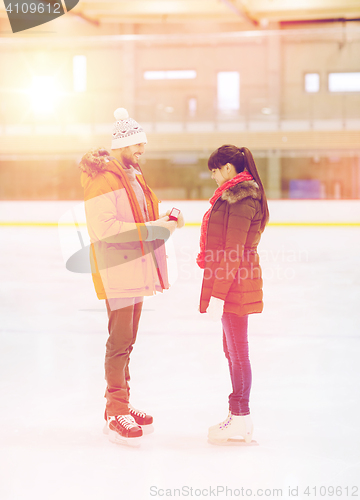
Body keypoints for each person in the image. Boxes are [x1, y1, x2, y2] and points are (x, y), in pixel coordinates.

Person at [79, 107, 184, 446]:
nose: (142, 151)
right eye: (137, 145)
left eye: (143, 145)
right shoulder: (102, 179)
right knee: (119, 341)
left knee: (128, 340)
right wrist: (154, 227)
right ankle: (115, 411)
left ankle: (122, 401)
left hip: (136, 265)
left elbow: (142, 215)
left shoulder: (133, 175)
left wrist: (165, 218)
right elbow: (105, 229)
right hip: (118, 267)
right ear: (122, 144)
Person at [197, 144, 269, 444]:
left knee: (238, 353)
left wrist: (218, 295)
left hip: (234, 283)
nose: (213, 178)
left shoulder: (240, 199)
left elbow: (233, 251)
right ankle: (239, 416)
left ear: (227, 168)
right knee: (233, 351)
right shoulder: (233, 197)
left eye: (214, 171)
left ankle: (240, 415)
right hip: (234, 280)